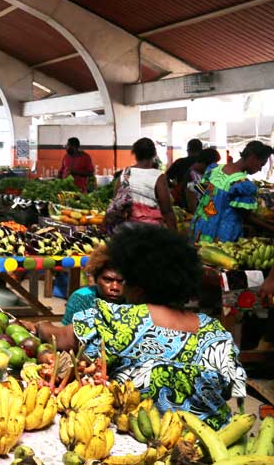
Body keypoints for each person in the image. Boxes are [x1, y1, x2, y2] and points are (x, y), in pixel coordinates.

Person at [27, 226, 246, 428]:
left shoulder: (119, 320)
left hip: (145, 438)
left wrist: (39, 326)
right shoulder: (217, 333)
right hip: (216, 441)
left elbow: (60, 338)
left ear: (137, 287)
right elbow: (229, 389)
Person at [191, 141, 274, 244]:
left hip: (200, 229)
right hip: (221, 238)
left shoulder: (214, 169)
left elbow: (204, 193)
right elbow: (247, 217)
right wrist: (270, 227)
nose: (260, 169)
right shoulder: (243, 185)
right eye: (261, 164)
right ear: (252, 157)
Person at [114, 137, 177, 230]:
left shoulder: (125, 173)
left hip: (129, 230)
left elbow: (117, 203)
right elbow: (167, 211)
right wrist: (174, 234)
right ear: (154, 154)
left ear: (135, 154)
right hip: (152, 231)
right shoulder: (158, 176)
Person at [60, 245, 124, 325]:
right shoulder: (81, 299)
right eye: (108, 280)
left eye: (121, 281)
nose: (115, 287)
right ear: (96, 278)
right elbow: (69, 331)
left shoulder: (134, 301)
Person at [185, 148, 221, 213]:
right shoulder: (192, 175)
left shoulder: (205, 173)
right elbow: (192, 202)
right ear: (205, 163)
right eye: (214, 163)